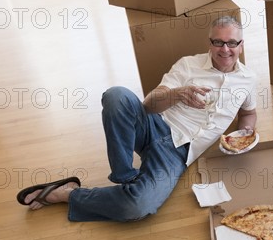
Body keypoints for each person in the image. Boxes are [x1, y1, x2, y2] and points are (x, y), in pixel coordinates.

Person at [17, 16, 257, 222]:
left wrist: (244, 135)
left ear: (241, 45)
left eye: (231, 43)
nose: (225, 49)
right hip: (154, 126)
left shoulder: (248, 79)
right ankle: (125, 177)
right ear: (210, 43)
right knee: (116, 95)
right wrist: (177, 94)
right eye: (218, 42)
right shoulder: (188, 65)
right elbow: (149, 105)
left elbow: (248, 113)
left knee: (137, 207)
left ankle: (67, 194)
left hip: (178, 155)